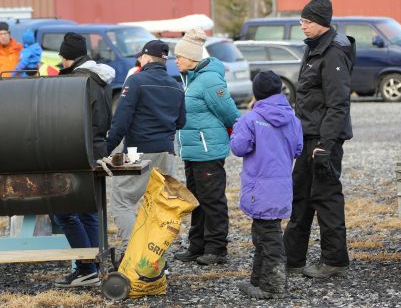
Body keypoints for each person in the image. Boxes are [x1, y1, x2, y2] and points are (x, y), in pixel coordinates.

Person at [283, 0, 355, 278]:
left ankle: (334, 261)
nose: (302, 25)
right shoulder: (314, 48)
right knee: (300, 197)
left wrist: (326, 145)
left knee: (326, 198)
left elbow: (338, 103)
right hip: (307, 137)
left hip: (323, 141)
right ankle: (292, 258)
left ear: (322, 23)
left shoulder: (333, 53)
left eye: (306, 21)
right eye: (301, 20)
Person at [230, 71, 303, 299]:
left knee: (269, 238)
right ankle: (257, 281)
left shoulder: (251, 119)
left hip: (259, 188)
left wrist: (238, 124)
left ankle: (272, 286)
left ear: (256, 93)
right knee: (263, 234)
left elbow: (238, 148)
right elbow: (298, 149)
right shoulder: (293, 118)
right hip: (281, 187)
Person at [105, 40, 186, 245]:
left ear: (148, 57)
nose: (138, 59)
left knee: (123, 201)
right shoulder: (176, 86)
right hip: (166, 152)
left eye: (140, 56)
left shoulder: (135, 81)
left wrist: (104, 149)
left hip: (137, 150)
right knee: (159, 205)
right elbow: (181, 122)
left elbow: (121, 120)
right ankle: (154, 256)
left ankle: (134, 253)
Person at [173, 29, 240, 266]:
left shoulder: (209, 80)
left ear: (192, 58)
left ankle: (216, 248)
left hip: (207, 151)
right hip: (193, 151)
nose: (176, 60)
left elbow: (230, 113)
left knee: (212, 200)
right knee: (196, 200)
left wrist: (241, 136)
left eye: (179, 56)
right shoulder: (191, 79)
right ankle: (197, 245)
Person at [53, 32, 115, 288]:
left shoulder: (75, 82)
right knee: (89, 212)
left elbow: (64, 121)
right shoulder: (100, 79)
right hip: (97, 149)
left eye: (62, 56)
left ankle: (86, 266)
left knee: (64, 213)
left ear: (68, 56)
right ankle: (95, 265)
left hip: (76, 152)